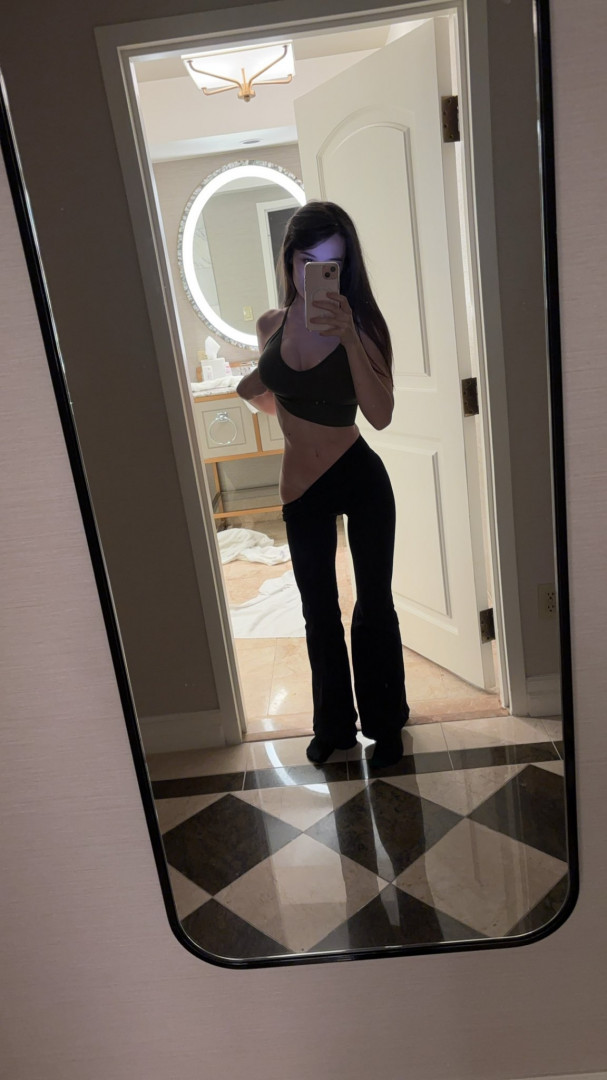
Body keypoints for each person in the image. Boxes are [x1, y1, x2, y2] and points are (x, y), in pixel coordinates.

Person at [237, 200, 409, 768]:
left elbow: (380, 415)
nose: (316, 275)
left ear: (346, 267)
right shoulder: (271, 324)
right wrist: (270, 398)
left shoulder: (364, 326)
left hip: (360, 478)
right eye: (306, 261)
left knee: (374, 604)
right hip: (300, 489)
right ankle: (333, 726)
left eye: (330, 264)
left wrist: (351, 339)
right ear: (289, 261)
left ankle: (385, 723)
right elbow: (268, 393)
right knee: (319, 612)